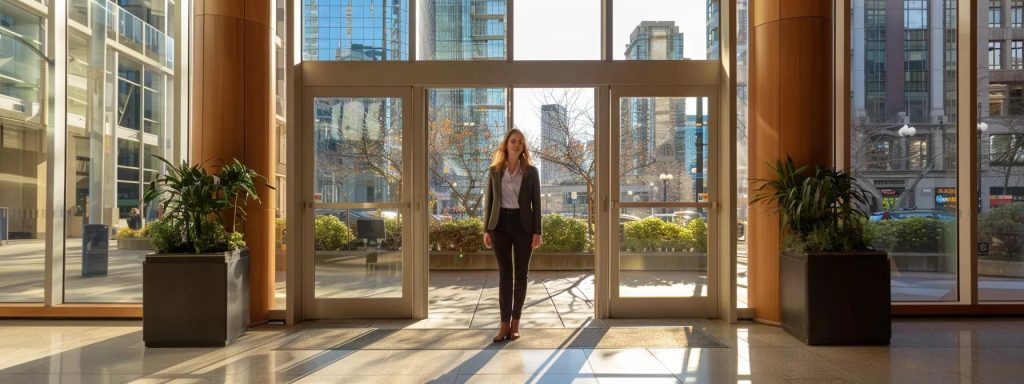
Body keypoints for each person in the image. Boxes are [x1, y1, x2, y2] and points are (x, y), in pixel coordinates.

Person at [482, 128, 543, 342]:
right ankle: (503, 325)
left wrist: (538, 231)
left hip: (523, 225)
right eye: (513, 141)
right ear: (506, 144)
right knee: (505, 275)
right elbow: (489, 201)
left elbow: (537, 203)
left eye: (520, 141)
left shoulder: (531, 171)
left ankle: (516, 324)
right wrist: (486, 229)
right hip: (499, 225)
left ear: (523, 146)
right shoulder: (494, 170)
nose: (516, 144)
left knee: (521, 275)